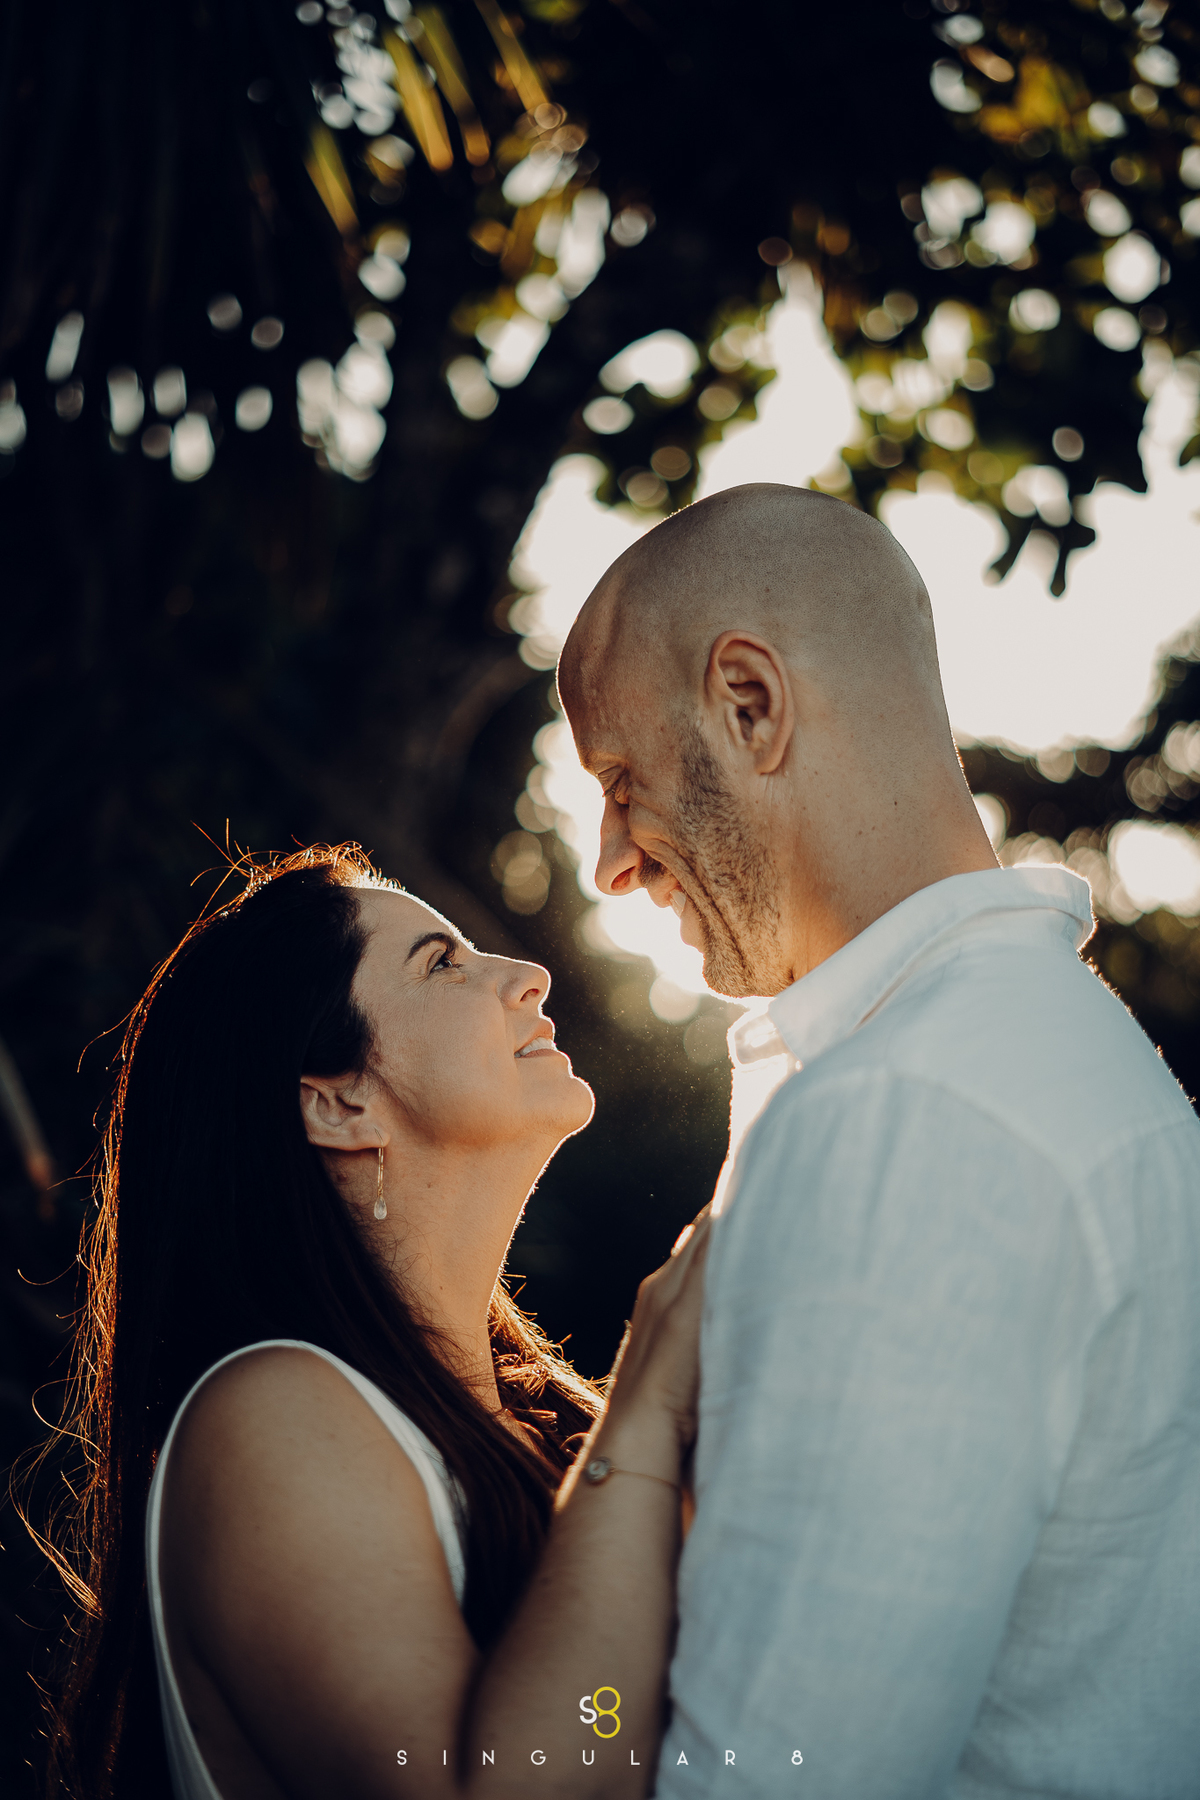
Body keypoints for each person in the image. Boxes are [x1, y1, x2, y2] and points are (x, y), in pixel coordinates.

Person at [558, 482, 1200, 1799]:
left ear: (751, 704)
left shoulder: (911, 1120)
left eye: (621, 779)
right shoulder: (1049, 1050)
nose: (610, 864)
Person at [36, 843, 710, 1800]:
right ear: (340, 1102)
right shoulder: (269, 1419)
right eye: (442, 963)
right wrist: (646, 1411)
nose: (527, 973)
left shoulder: (535, 1428)